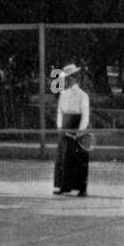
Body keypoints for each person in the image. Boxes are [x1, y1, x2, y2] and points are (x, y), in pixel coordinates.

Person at [53, 63, 89, 196]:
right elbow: (59, 112)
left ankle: (81, 189)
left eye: (69, 78)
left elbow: (85, 115)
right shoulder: (63, 94)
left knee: (79, 160)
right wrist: (59, 126)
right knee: (63, 159)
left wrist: (80, 131)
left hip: (77, 127)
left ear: (74, 78)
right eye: (65, 78)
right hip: (65, 128)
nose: (66, 80)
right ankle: (64, 186)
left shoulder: (83, 95)